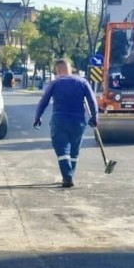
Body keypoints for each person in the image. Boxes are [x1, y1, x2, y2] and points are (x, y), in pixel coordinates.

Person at [33, 59, 98, 189]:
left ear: (57, 70)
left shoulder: (55, 83)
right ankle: (69, 175)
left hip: (60, 121)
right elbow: (92, 101)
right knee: (74, 151)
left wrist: (37, 117)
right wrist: (95, 117)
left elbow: (44, 101)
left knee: (62, 150)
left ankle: (67, 177)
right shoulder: (82, 82)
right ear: (70, 69)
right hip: (78, 122)